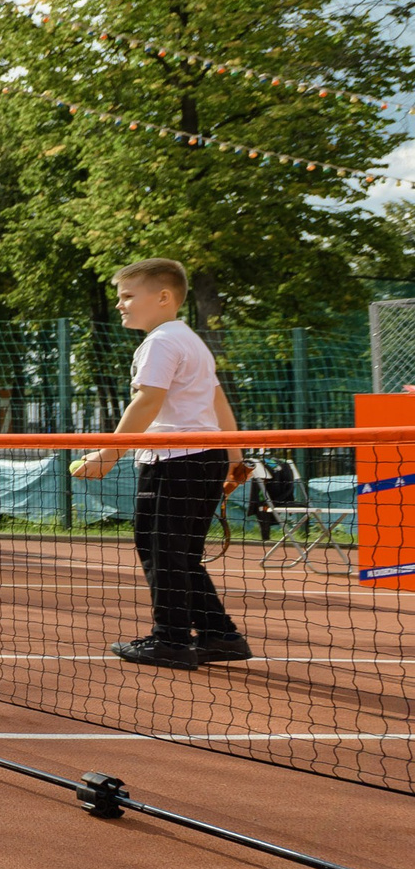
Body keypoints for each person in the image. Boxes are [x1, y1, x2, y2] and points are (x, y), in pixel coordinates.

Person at [70, 259, 254, 668]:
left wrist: (108, 454)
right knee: (181, 554)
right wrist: (235, 459)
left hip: (175, 461)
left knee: (160, 550)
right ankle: (219, 635)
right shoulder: (190, 340)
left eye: (128, 296)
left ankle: (170, 640)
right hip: (204, 459)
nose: (120, 305)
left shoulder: (161, 341)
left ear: (164, 297)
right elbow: (218, 401)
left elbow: (148, 400)